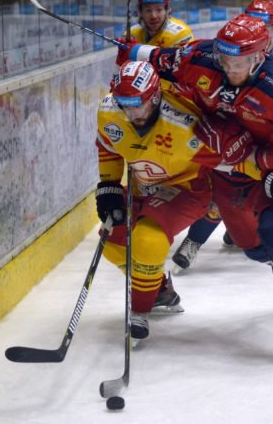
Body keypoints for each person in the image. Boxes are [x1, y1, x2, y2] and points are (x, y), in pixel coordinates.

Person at [115, 14, 273, 360]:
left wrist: (252, 157)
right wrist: (129, 51)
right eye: (224, 60)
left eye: (237, 63)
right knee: (253, 248)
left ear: (258, 57)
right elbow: (158, 58)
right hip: (228, 177)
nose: (228, 69)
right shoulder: (203, 58)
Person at [171, 0, 273, 274]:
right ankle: (198, 239)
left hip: (266, 140)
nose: (262, 29)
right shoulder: (228, 56)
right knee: (218, 187)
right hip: (229, 134)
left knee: (254, 196)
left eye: (268, 25)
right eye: (256, 24)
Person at [95, 60, 230, 341]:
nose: (131, 112)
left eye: (138, 104)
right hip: (142, 186)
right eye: (125, 104)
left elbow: (229, 160)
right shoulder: (111, 111)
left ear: (155, 97)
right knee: (111, 242)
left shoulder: (185, 124)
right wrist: (108, 185)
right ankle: (159, 291)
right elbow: (109, 146)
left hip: (186, 189)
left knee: (147, 241)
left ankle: (140, 310)